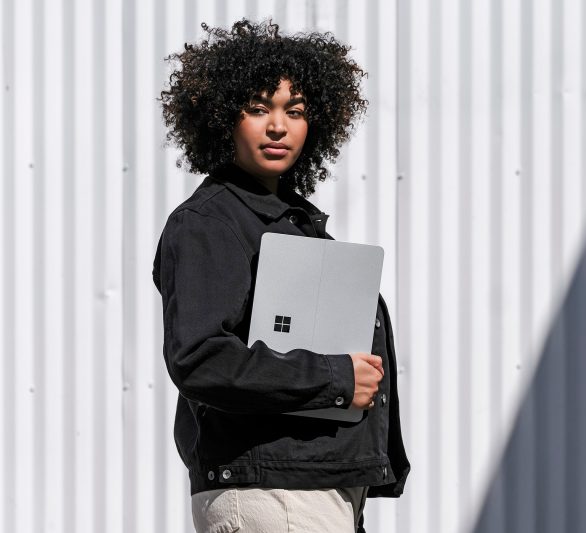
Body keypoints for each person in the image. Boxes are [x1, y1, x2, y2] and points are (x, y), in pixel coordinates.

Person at [153, 19, 409, 533]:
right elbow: (201, 359)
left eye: (295, 110)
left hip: (311, 488)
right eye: (257, 108)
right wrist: (336, 378)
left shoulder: (291, 222)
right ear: (222, 117)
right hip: (271, 494)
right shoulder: (209, 223)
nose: (278, 126)